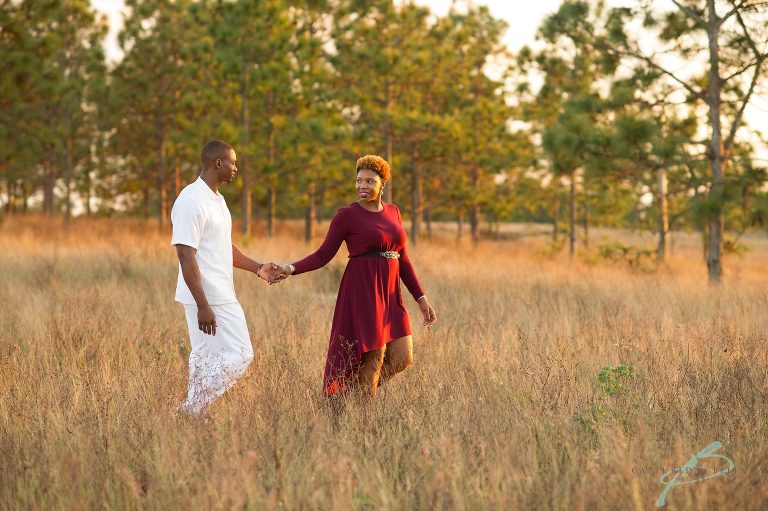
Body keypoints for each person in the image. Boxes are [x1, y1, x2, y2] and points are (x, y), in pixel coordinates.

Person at [270, 155, 437, 399]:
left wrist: (420, 298)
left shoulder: (393, 212)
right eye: (359, 181)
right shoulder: (346, 215)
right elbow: (322, 255)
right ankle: (361, 419)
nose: (363, 186)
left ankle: (350, 395)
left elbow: (404, 259)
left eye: (370, 181)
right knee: (374, 357)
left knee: (403, 357)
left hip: (391, 294)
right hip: (364, 292)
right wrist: (290, 268)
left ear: (383, 184)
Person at [171, 139, 278, 415]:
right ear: (218, 163)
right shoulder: (191, 200)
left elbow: (223, 246)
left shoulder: (217, 200)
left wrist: (257, 267)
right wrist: (203, 305)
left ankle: (194, 416)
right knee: (242, 354)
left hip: (220, 292)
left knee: (205, 358)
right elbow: (185, 254)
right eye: (232, 162)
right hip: (207, 297)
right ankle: (191, 409)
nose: (236, 168)